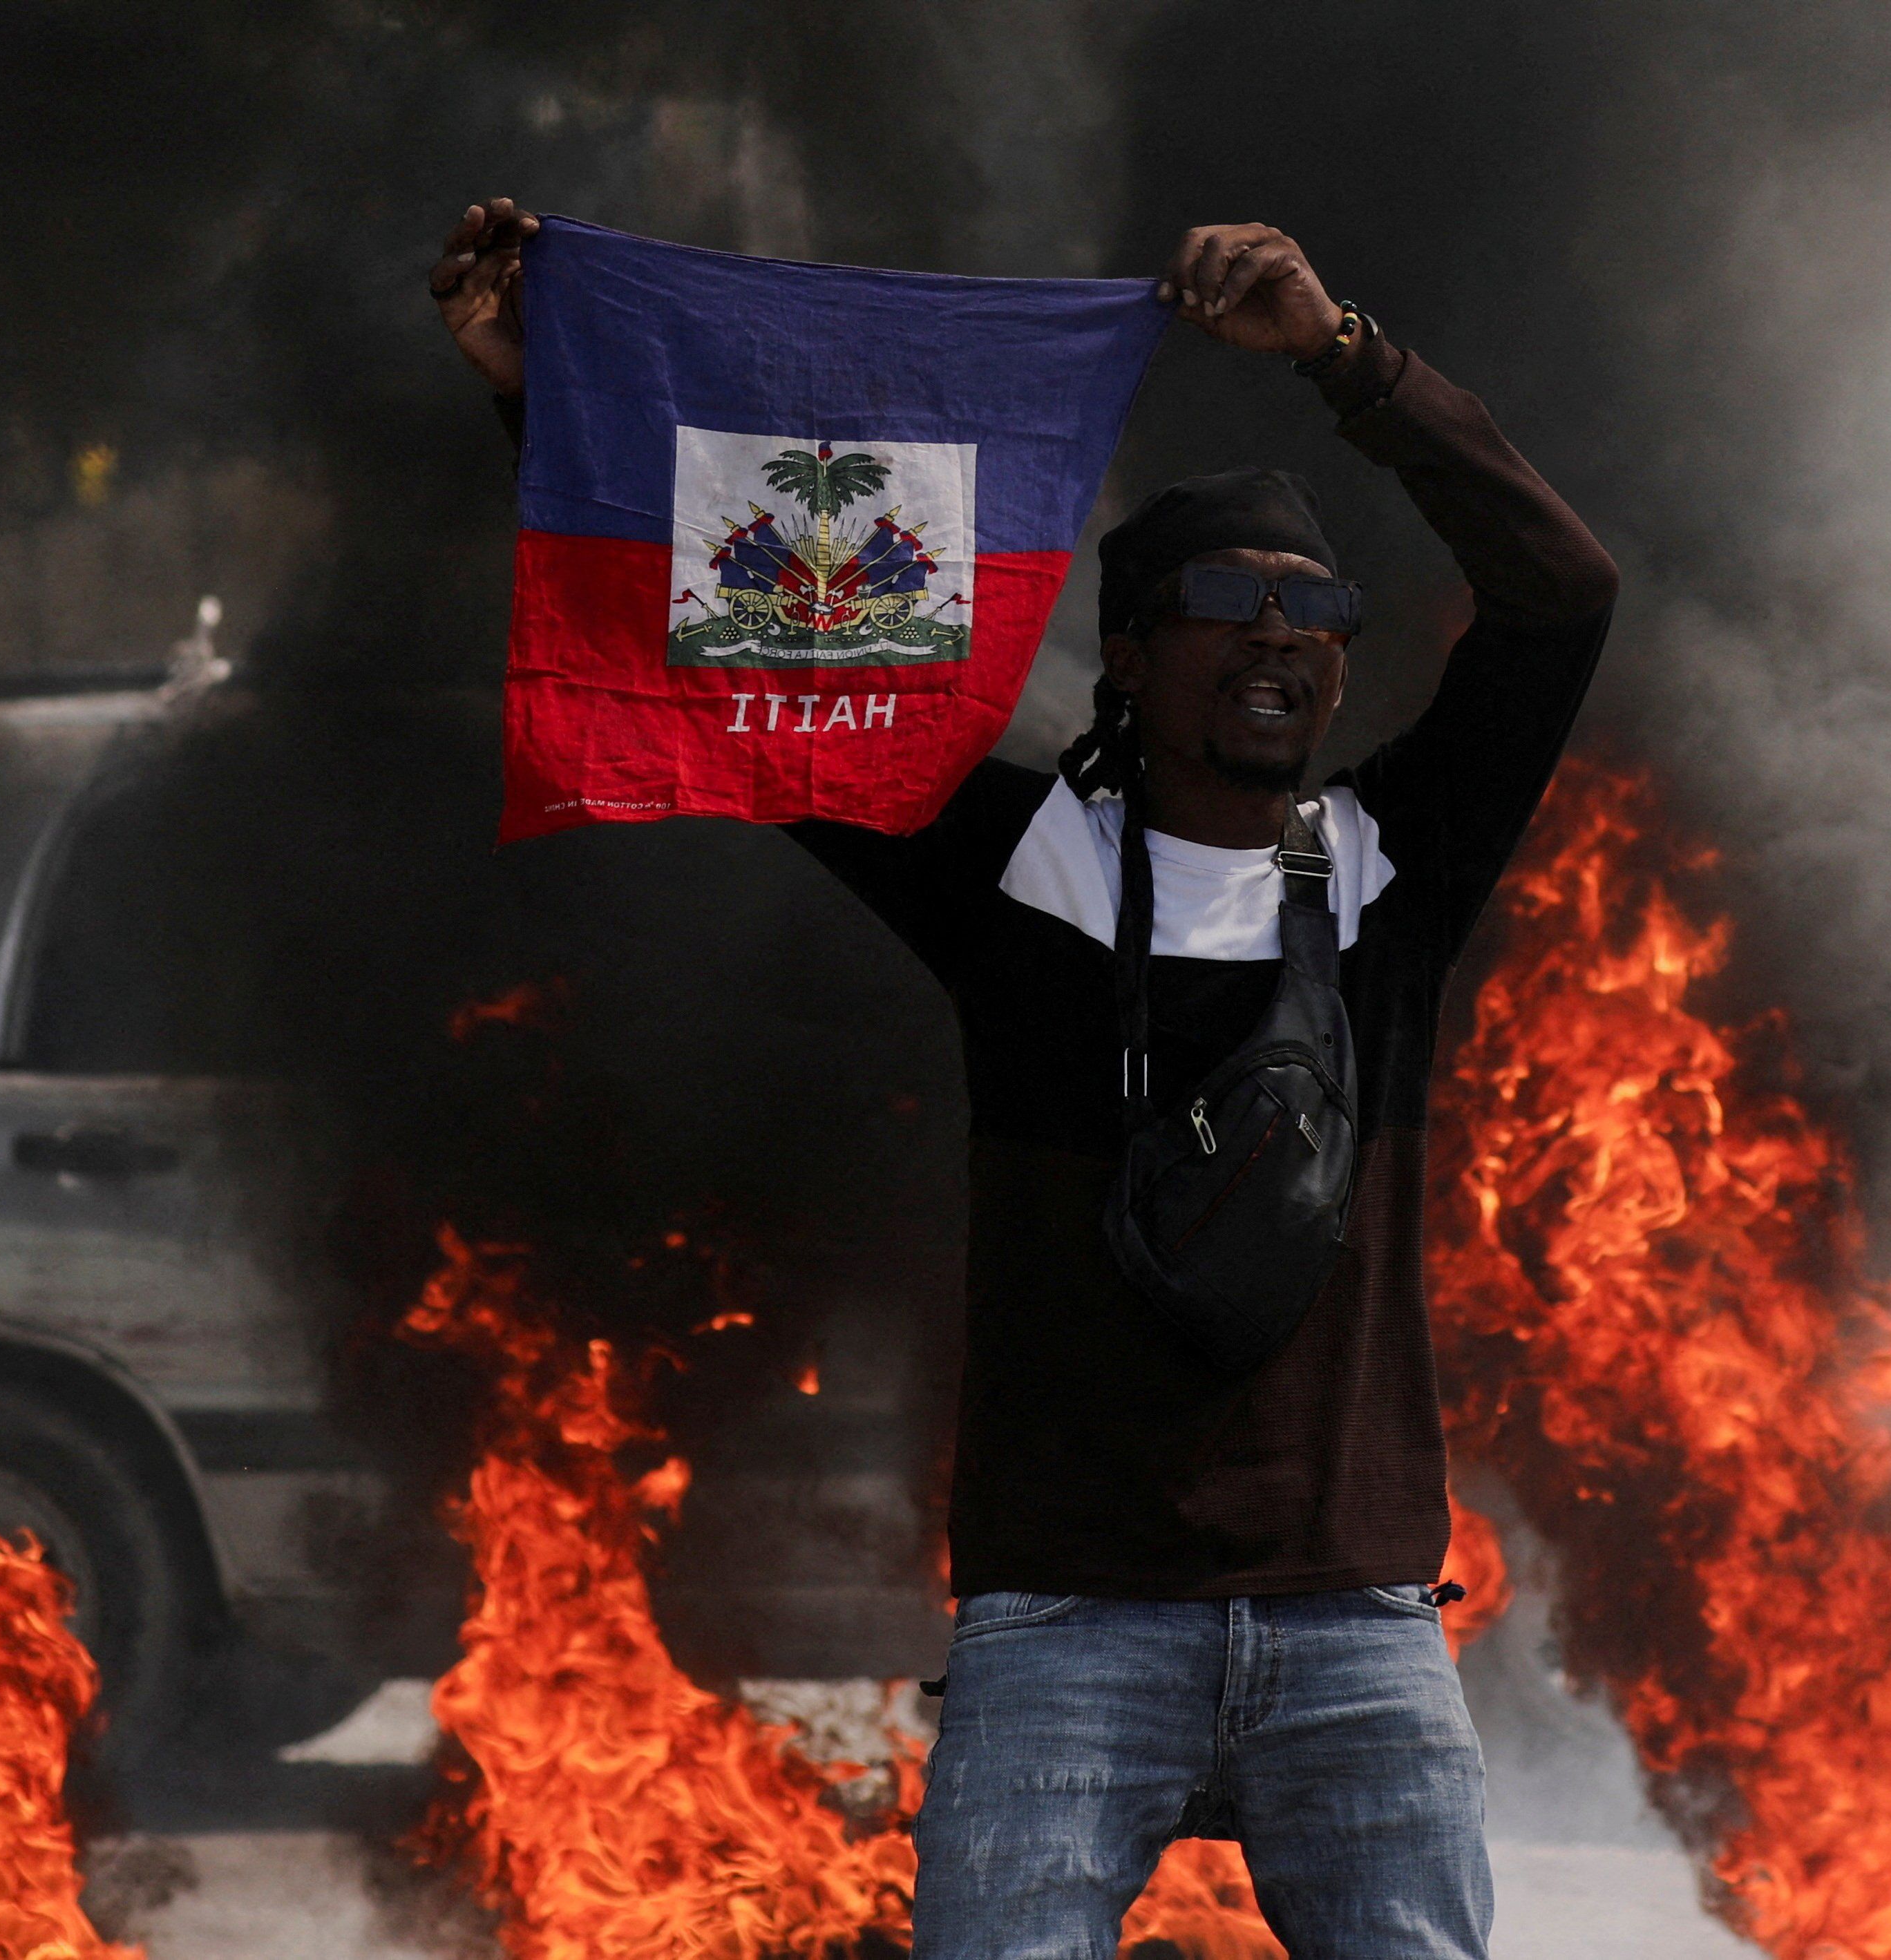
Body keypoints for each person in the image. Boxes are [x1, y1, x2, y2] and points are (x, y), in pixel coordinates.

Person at [432, 198, 1617, 1960]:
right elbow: (756, 657)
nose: (1280, 635)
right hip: (1067, 1629)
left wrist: (1340, 360)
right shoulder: (1008, 867)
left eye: (1317, 609)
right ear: (1127, 656)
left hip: (1354, 1626)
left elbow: (1558, 589)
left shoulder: (1396, 869)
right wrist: (549, 393)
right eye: (1226, 605)